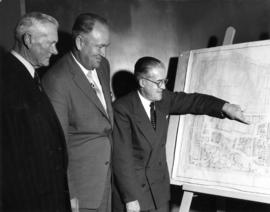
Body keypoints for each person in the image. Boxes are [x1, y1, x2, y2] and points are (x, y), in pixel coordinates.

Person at [112, 56, 249, 212]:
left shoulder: (162, 99)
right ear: (142, 82)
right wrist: (130, 198)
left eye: (165, 81)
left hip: (159, 192)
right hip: (135, 192)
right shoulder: (122, 109)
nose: (163, 87)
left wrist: (225, 107)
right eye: (158, 82)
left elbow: (194, 101)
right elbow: (121, 160)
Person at [42, 13, 113, 212]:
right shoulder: (57, 81)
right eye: (99, 47)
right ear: (80, 42)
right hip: (81, 193)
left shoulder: (102, 66)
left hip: (106, 183)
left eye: (105, 46)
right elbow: (57, 146)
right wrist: (70, 195)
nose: (104, 54)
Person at [2, 12, 71, 211]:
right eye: (50, 43)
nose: (56, 50)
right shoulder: (6, 78)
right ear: (28, 39)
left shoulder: (29, 75)